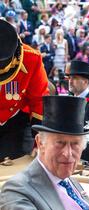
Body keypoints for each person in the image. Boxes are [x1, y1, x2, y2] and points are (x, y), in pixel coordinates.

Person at [0, 19, 49, 161]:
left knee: (15, 165)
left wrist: (39, 141)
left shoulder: (31, 59)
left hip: (14, 122)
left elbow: (39, 102)